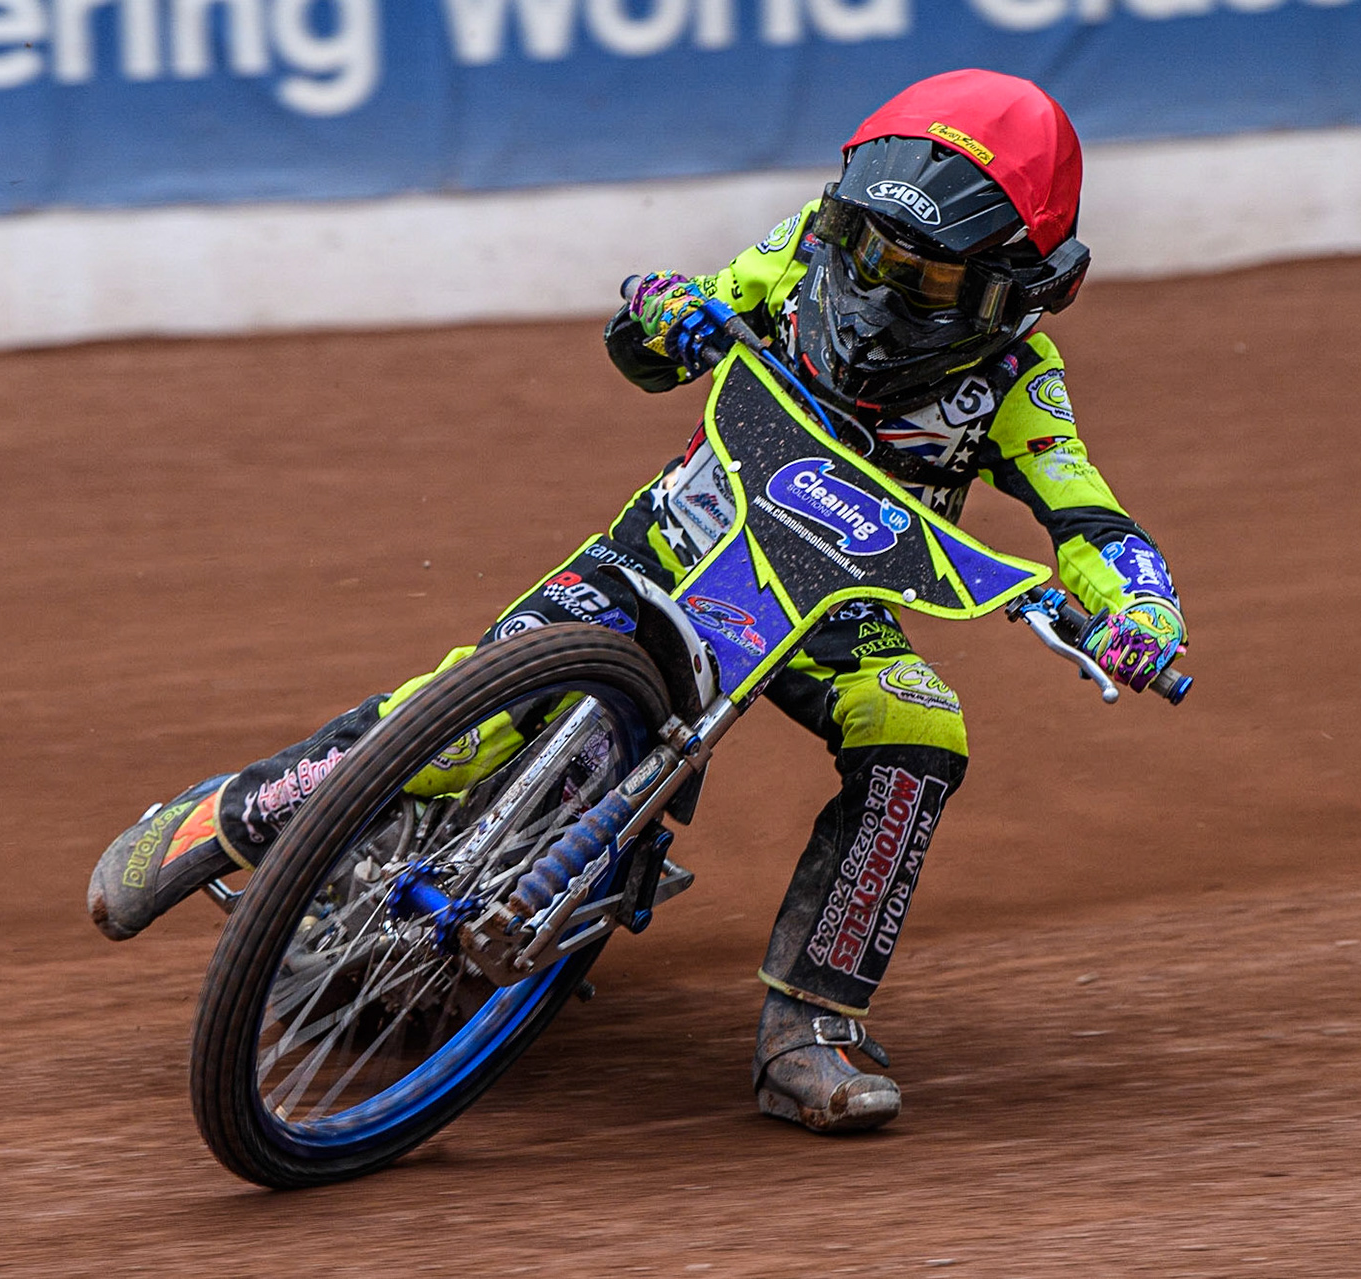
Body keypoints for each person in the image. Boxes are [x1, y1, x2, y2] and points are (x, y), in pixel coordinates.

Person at [86, 68, 1186, 1135]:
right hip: (668, 541)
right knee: (466, 720)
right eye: (863, 243)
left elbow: (1090, 519)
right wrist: (668, 313)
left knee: (920, 725)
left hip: (830, 610)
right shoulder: (801, 246)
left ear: (1025, 289)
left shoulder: (1018, 386)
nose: (880, 282)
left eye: (935, 279)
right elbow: (654, 343)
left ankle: (815, 1023)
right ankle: (236, 811)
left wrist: (1139, 615)